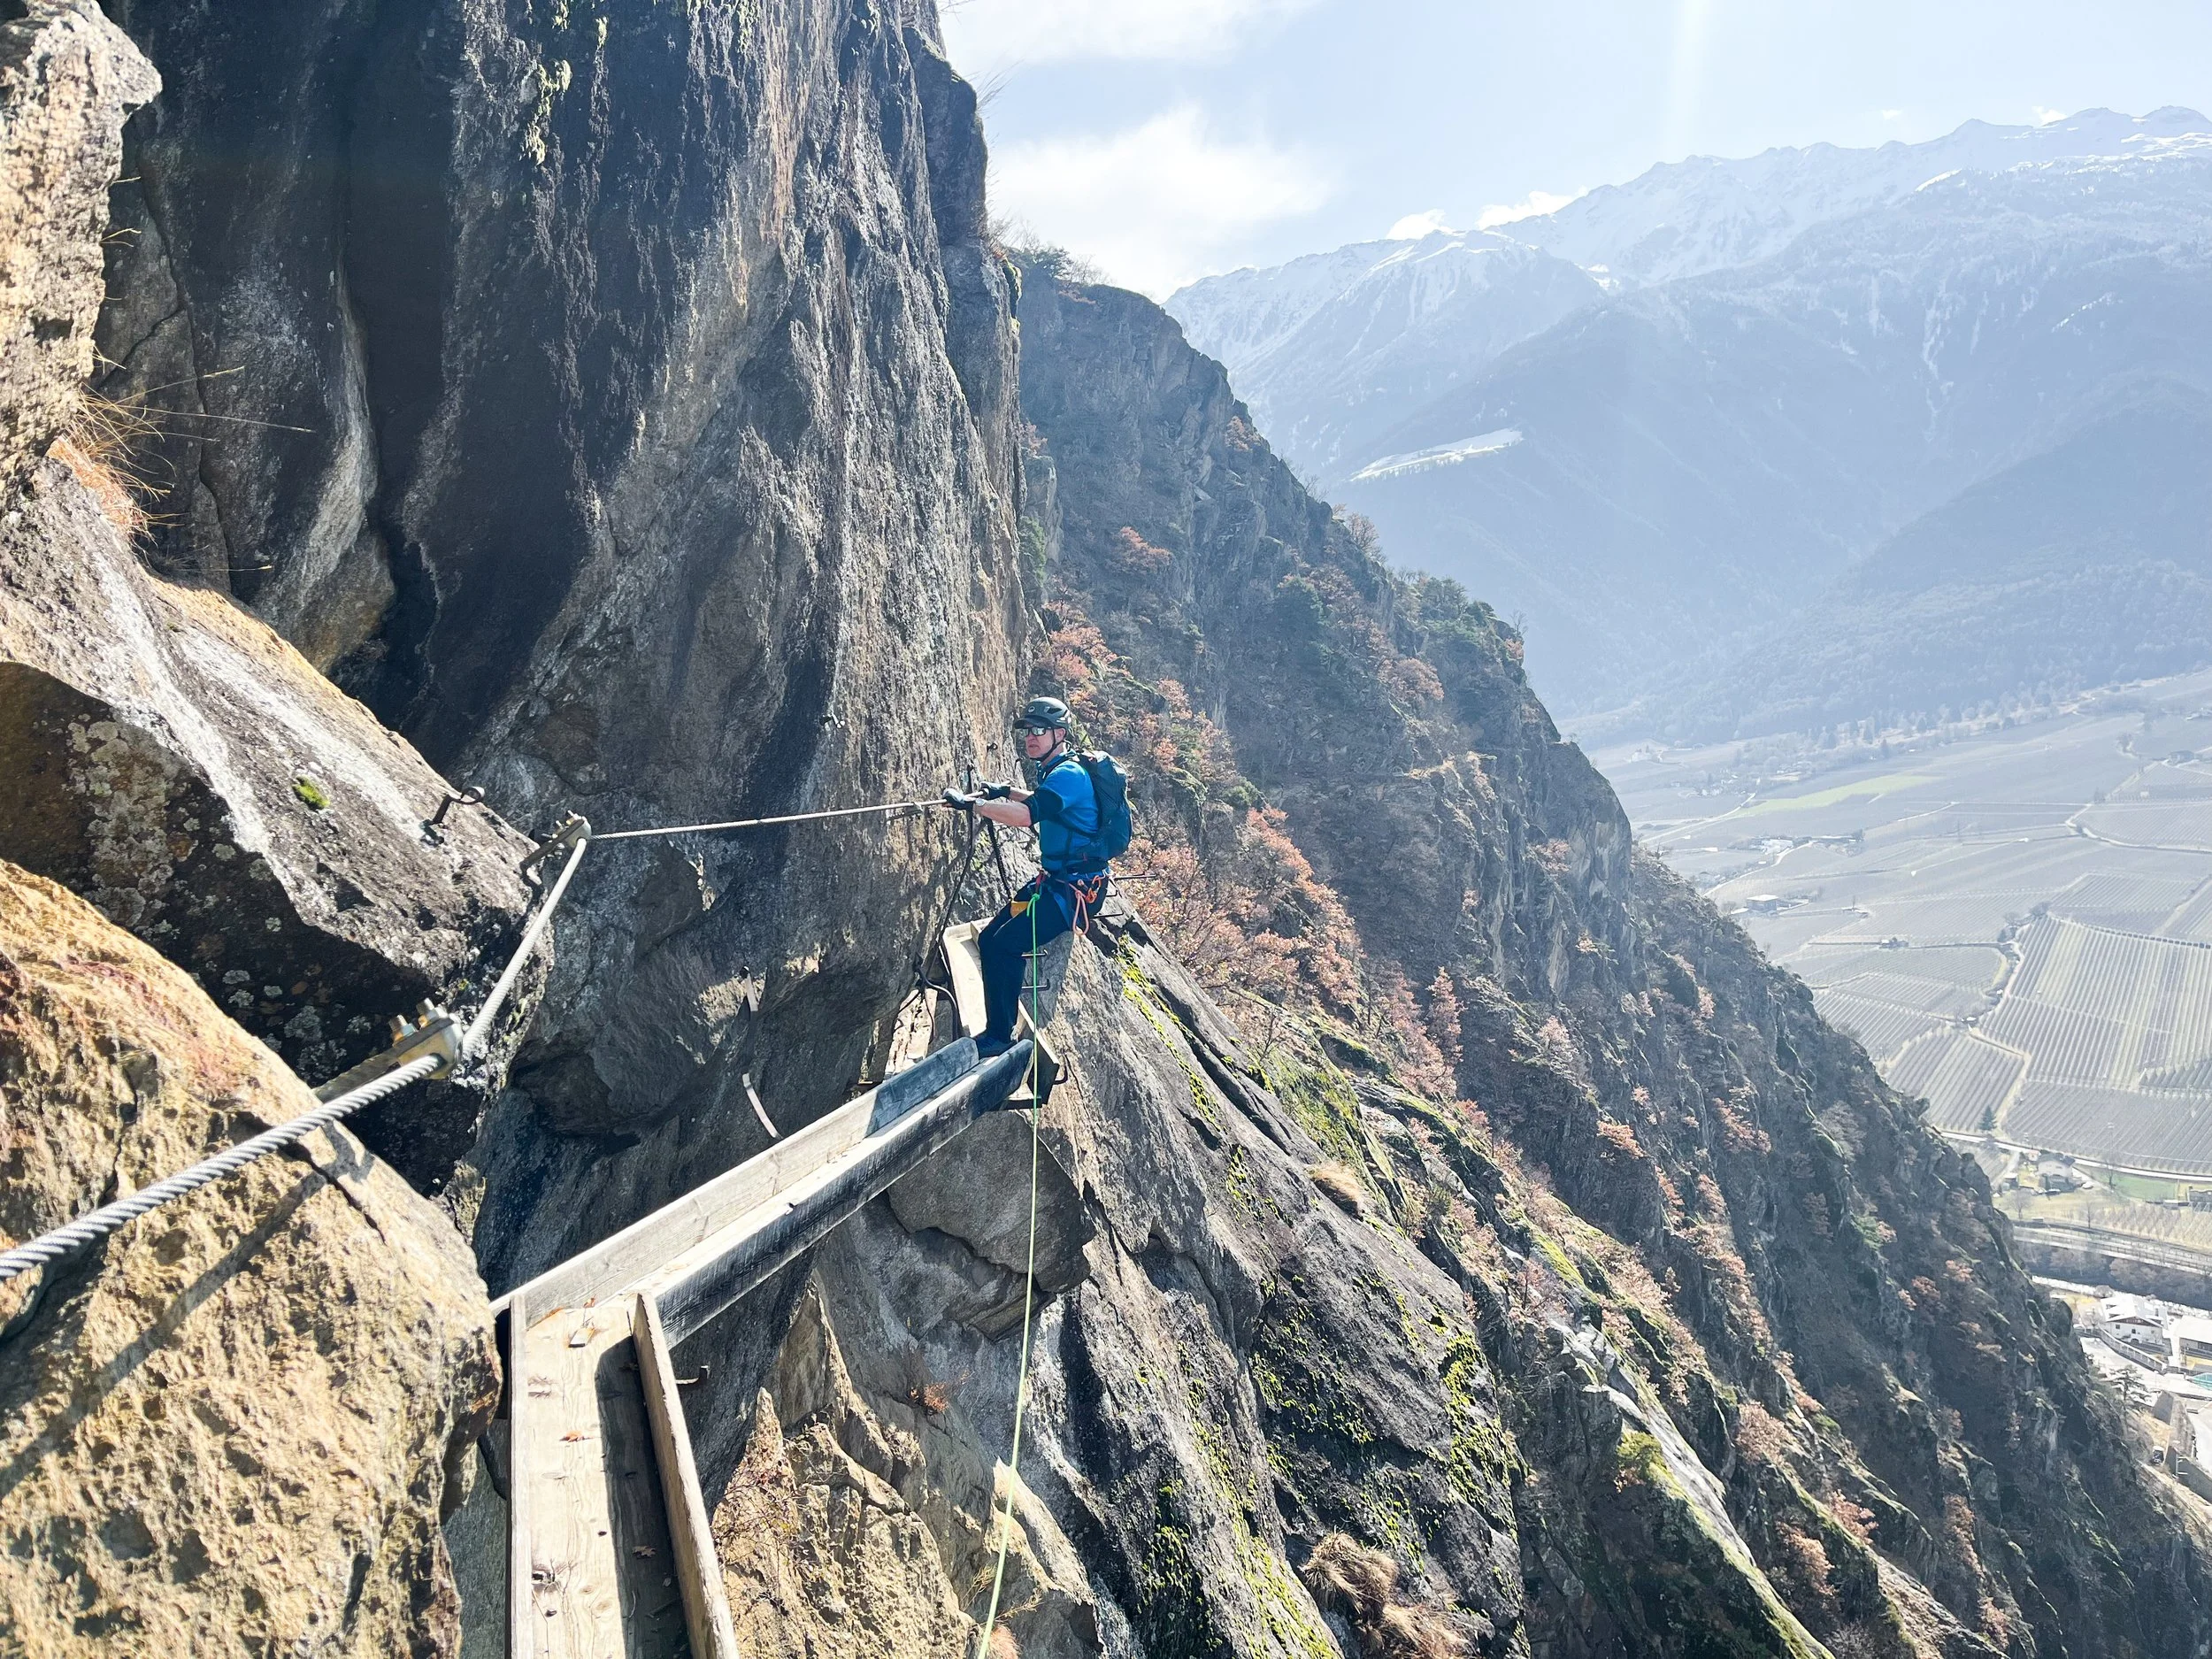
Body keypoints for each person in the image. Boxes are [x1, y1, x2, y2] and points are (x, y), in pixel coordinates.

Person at [944, 696, 1113, 1058]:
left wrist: (973, 804)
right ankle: (998, 1027)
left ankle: (998, 1037)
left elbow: (1027, 815)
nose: (1031, 738)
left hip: (1074, 893)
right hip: (1056, 883)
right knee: (991, 938)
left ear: (1060, 733)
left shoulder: (1068, 775)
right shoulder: (1060, 768)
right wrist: (1004, 792)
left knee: (1005, 945)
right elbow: (1041, 801)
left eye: (1040, 730)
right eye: (1028, 731)